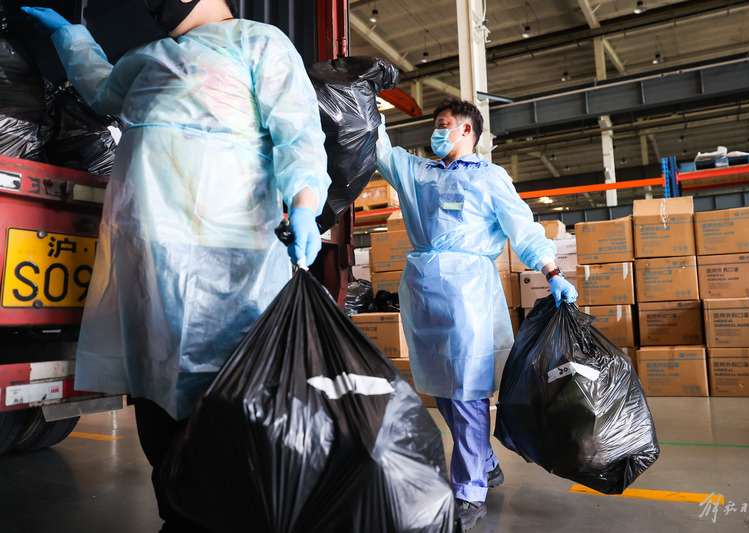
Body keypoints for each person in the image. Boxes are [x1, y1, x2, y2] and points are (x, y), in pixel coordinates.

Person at [21, 1, 330, 531]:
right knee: (155, 392)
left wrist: (304, 204)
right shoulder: (150, 56)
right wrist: (71, 36)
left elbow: (297, 133)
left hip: (232, 263)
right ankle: (178, 512)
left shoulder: (258, 42)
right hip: (152, 262)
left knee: (230, 397)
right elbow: (101, 89)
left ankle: (230, 515)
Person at [375, 98, 578, 531]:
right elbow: (379, 150)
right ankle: (484, 461)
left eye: (443, 124)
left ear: (466, 130)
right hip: (424, 292)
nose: (436, 131)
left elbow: (523, 228)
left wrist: (552, 272)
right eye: (436, 124)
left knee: (467, 391)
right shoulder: (418, 173)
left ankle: (469, 492)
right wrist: (364, 100)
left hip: (468, 294)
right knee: (442, 390)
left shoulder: (489, 177)